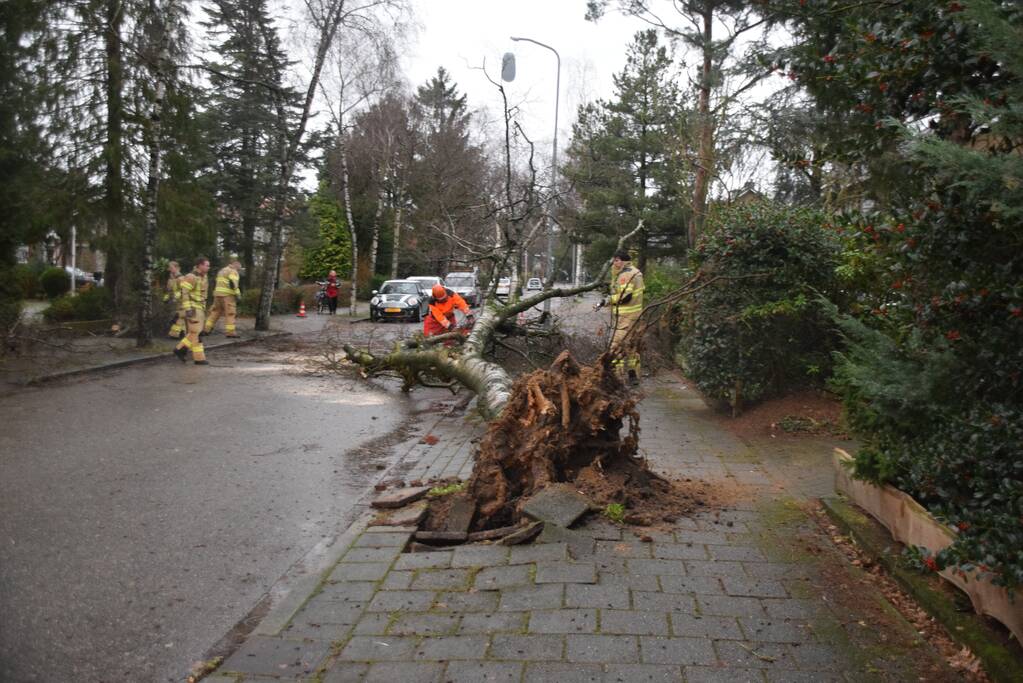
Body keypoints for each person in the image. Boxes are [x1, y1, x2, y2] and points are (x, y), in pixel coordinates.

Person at [606, 250, 644, 386]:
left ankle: (617, 377)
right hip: (635, 316)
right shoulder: (635, 272)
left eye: (616, 260)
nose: (614, 263)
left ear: (621, 260)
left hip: (625, 318)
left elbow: (626, 297)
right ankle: (632, 374)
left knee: (616, 347)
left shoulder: (626, 274)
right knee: (631, 346)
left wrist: (609, 300)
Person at [173, 257, 211, 365]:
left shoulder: (204, 277)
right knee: (196, 333)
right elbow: (184, 293)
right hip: (193, 308)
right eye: (207, 265)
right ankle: (198, 358)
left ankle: (180, 350)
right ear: (200, 265)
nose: (209, 267)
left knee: (195, 333)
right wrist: (188, 309)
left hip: (200, 308)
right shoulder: (191, 277)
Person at [204, 256, 242, 338]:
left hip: (217, 295)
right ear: (235, 264)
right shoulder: (233, 271)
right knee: (230, 313)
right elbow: (234, 284)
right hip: (228, 296)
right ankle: (230, 332)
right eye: (239, 266)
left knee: (215, 312)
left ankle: (206, 329)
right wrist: (238, 294)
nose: (240, 268)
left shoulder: (221, 271)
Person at [163, 261, 185, 338]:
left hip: (182, 301)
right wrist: (165, 299)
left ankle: (177, 334)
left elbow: (184, 290)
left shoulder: (181, 278)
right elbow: (168, 291)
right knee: (178, 318)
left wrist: (177, 297)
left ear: (177, 268)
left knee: (180, 316)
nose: (169, 269)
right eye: (169, 268)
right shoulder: (170, 279)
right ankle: (180, 333)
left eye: (171, 267)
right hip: (175, 302)